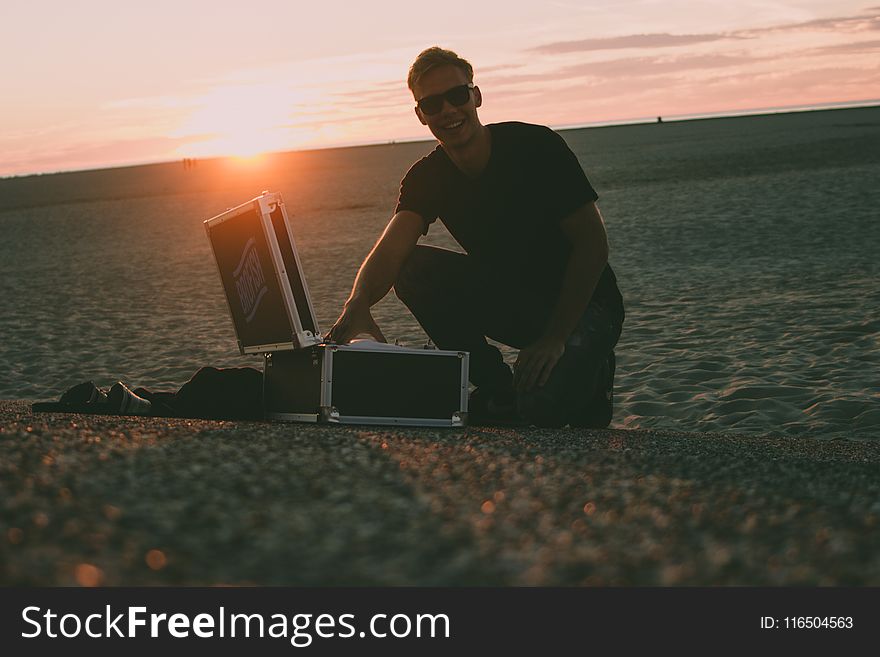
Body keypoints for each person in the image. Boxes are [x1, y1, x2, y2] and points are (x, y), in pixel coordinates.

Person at [326, 47, 624, 428]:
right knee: (412, 268)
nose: (448, 110)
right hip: (517, 301)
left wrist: (555, 337)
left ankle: (592, 374)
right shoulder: (427, 177)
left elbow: (593, 244)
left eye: (457, 95)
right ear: (421, 115)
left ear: (476, 96)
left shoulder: (535, 147)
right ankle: (497, 385)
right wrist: (358, 303)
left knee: (540, 411)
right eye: (432, 104)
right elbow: (392, 250)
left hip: (586, 307)